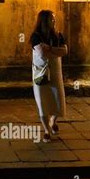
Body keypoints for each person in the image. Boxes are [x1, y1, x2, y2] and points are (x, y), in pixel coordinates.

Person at [30, 10, 68, 143]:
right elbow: (41, 53)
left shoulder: (58, 35)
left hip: (56, 73)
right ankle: (46, 130)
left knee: (58, 99)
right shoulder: (36, 36)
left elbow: (64, 51)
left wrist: (49, 49)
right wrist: (55, 51)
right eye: (52, 19)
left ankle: (53, 120)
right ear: (44, 20)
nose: (54, 21)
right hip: (41, 73)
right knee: (42, 101)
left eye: (54, 19)